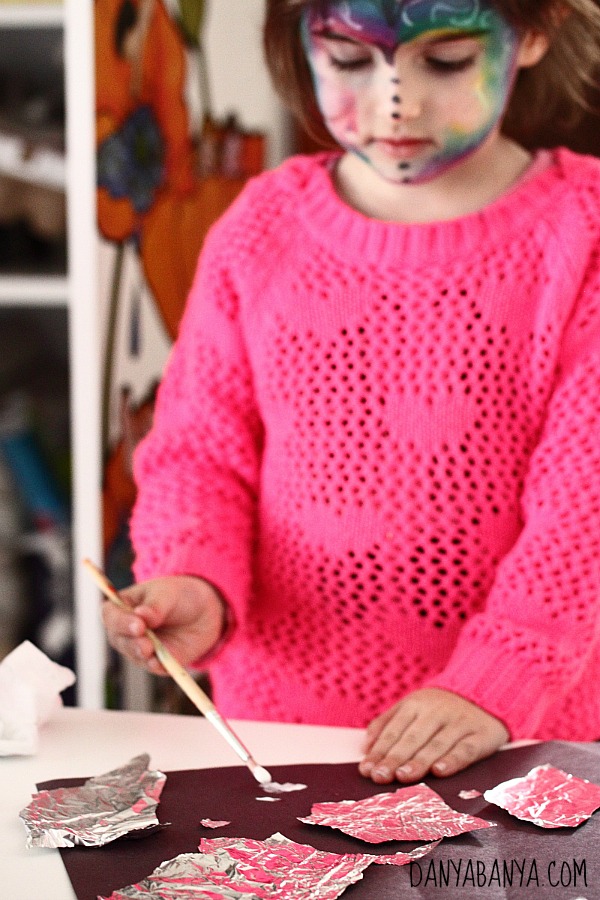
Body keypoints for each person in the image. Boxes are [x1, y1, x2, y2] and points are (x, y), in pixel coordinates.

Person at [103, 0, 600, 786]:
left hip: (518, 745)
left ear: (533, 35)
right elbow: (201, 452)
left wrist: (497, 681)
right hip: (281, 738)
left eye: (443, 62)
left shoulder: (585, 234)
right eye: (348, 59)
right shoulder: (260, 227)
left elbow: (586, 505)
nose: (392, 101)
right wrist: (197, 578)